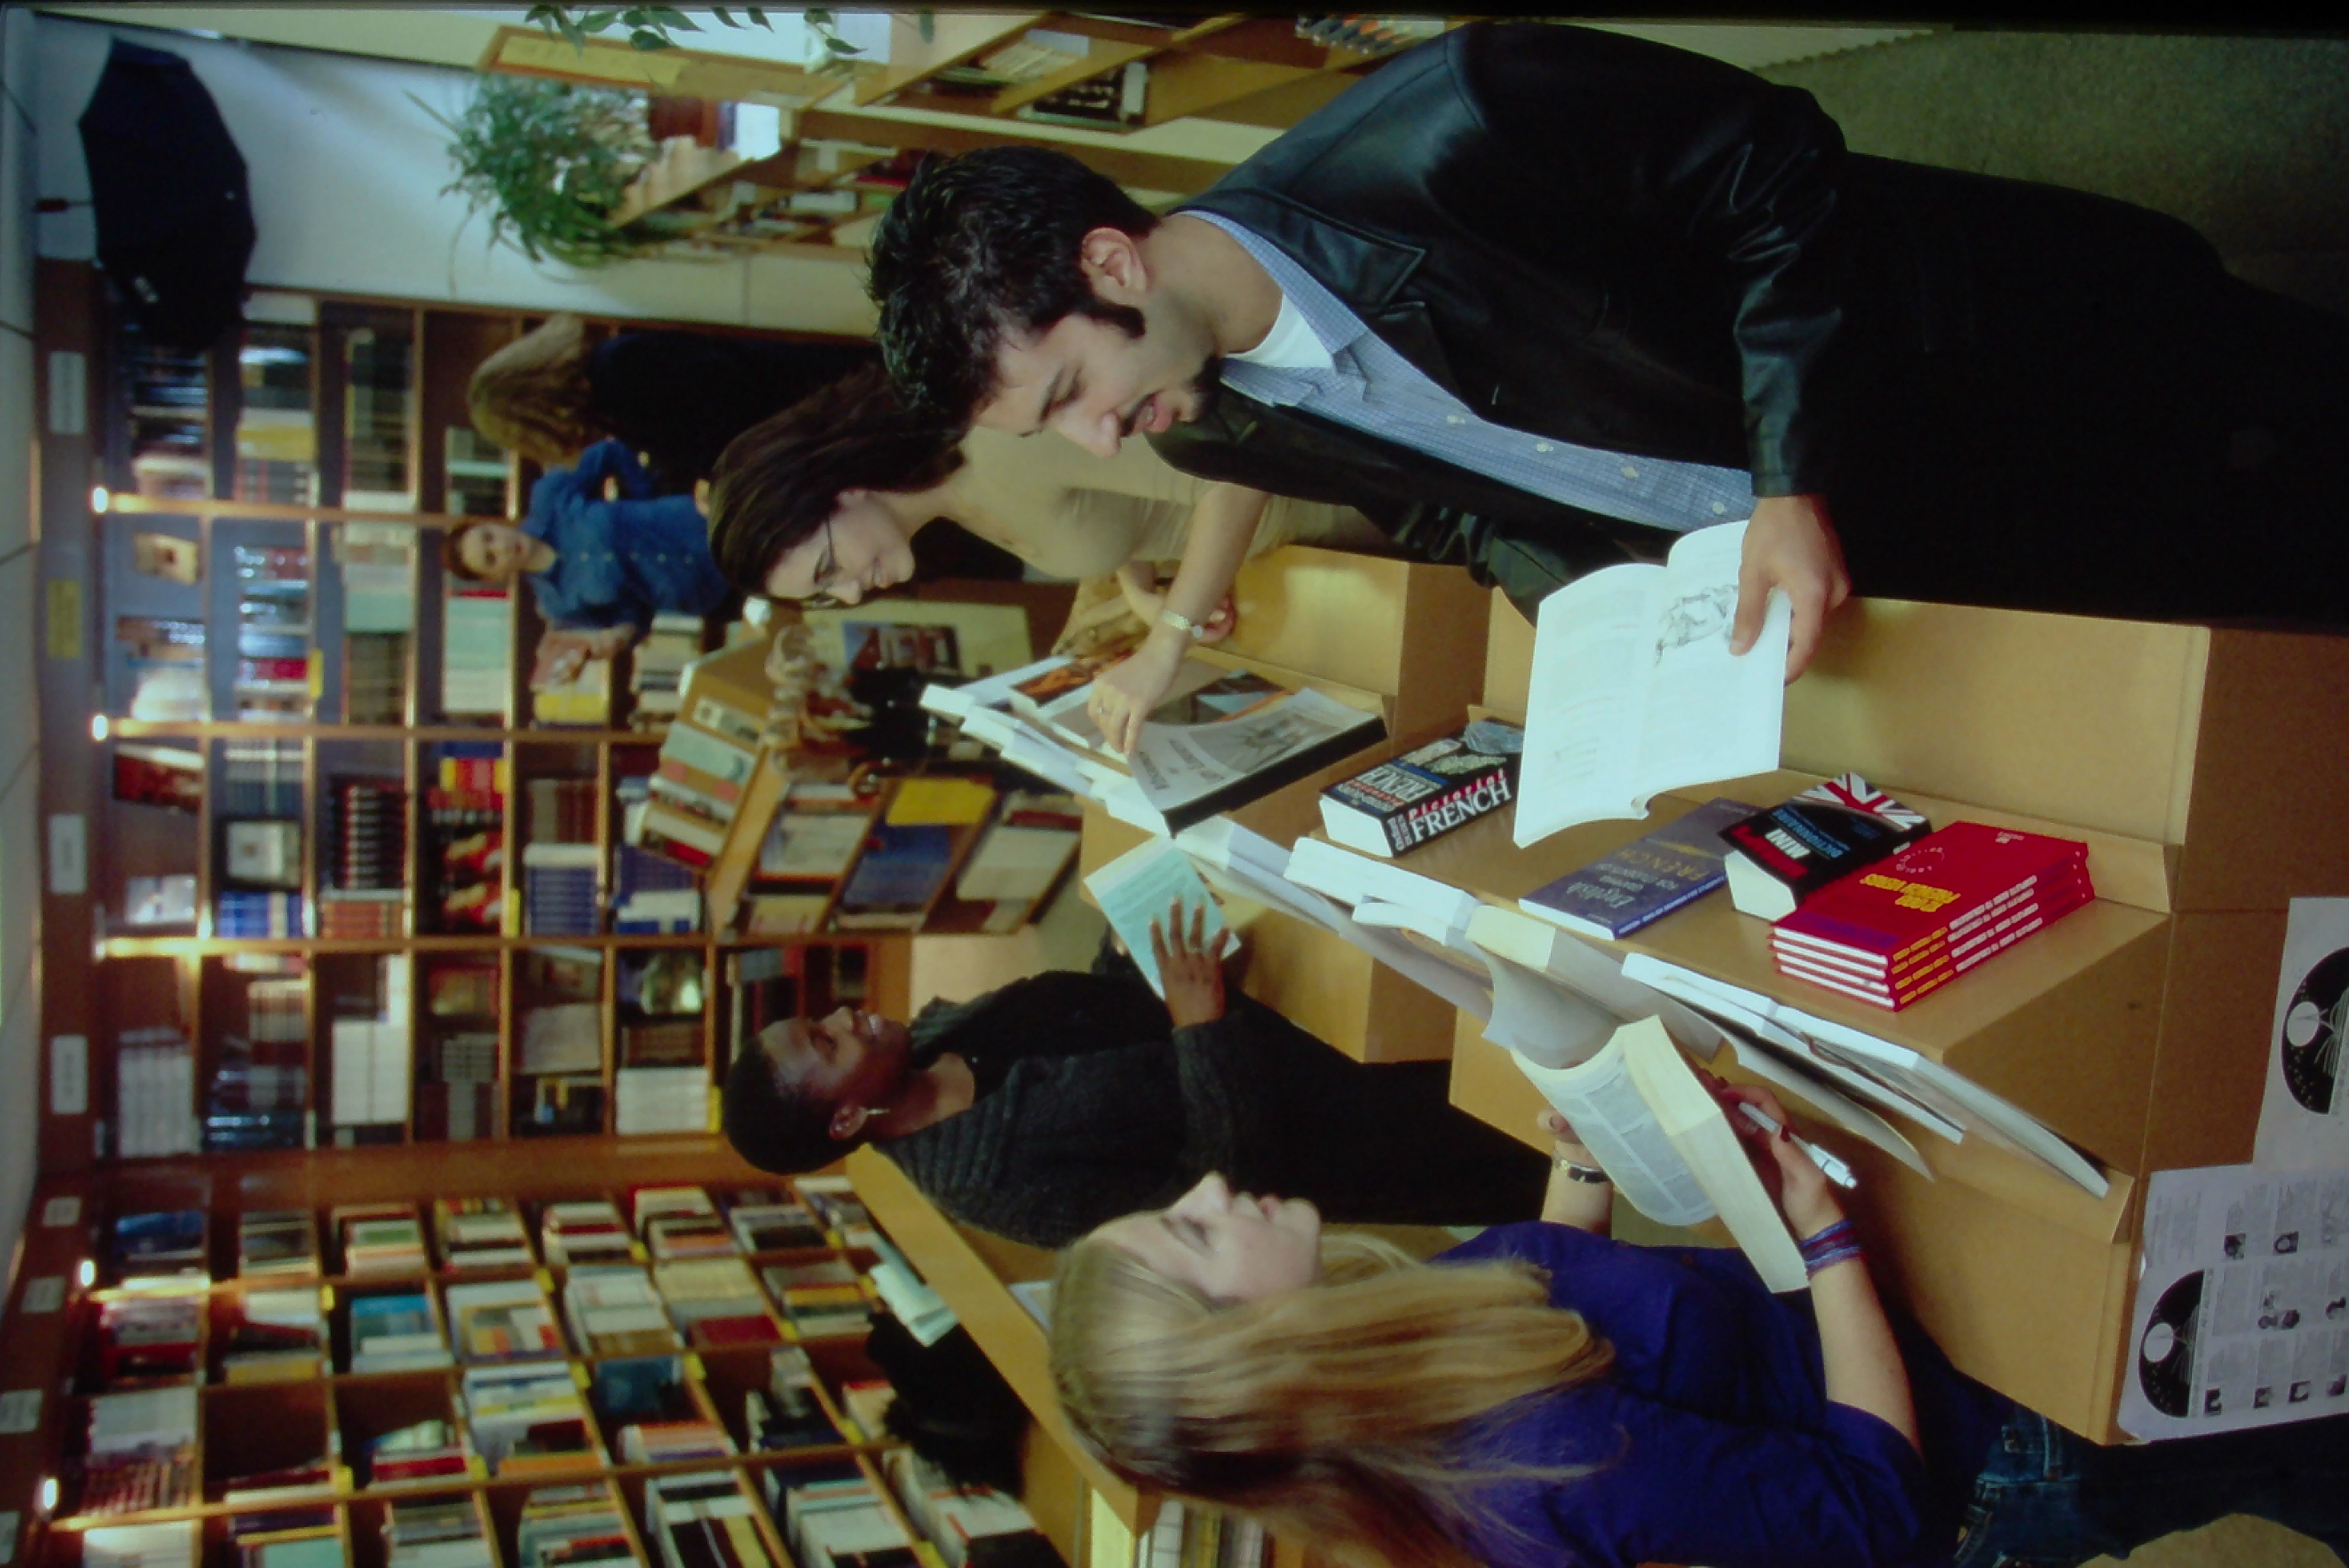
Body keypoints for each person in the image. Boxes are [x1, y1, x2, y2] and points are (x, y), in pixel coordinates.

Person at [867, 21, 2349, 697]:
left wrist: (1787, 479)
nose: (1099, 446)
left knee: (2284, 445)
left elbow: (1785, 186)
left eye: (1068, 394)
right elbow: (1452, 505)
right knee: (2247, 630)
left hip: (2004, 355)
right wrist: (1589, 640)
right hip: (1893, 540)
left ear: (1111, 263)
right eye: (1052, 432)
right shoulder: (1200, 427)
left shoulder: (1461, 111)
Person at [1051, 1090, 2349, 1568]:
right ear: (1252, 1348)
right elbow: (1872, 1504)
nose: (1209, 1187)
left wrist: (1583, 1166)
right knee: (2301, 1417)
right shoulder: (1536, 1466)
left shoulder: (1382, 1338)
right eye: (1195, 1232)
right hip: (1990, 1439)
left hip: (1897, 1327)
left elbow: (1543, 1302)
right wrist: (1825, 1235)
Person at [719, 902, 1548, 1249]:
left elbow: (1080, 1022)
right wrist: (1200, 1033)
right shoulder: (992, 1183)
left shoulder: (930, 1036)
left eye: (818, 1017)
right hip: (1368, 1125)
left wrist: (1116, 960)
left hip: (1299, 1012)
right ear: (844, 1121)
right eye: (827, 1045)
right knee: (1555, 1089)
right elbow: (1216, 1203)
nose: (844, 1016)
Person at [706, 364, 1401, 753]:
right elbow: (1109, 507)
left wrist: (1166, 644)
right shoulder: (941, 495)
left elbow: (1235, 465)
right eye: (827, 596)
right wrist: (1140, 591)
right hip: (1302, 567)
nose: (852, 595)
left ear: (840, 488)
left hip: (1361, 518)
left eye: (829, 570)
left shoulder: (994, 445)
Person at [467, 310, 874, 492]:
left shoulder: (619, 371)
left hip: (818, 397)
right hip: (816, 410)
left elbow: (729, 394)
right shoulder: (610, 389)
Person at [442, 438, 731, 673]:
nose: (502, 547)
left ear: (492, 524)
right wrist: (620, 635)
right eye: (491, 558)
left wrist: (645, 499)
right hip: (707, 591)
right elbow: (632, 615)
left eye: (489, 537)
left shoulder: (549, 496)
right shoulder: (558, 607)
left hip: (699, 522)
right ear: (496, 577)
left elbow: (609, 452)